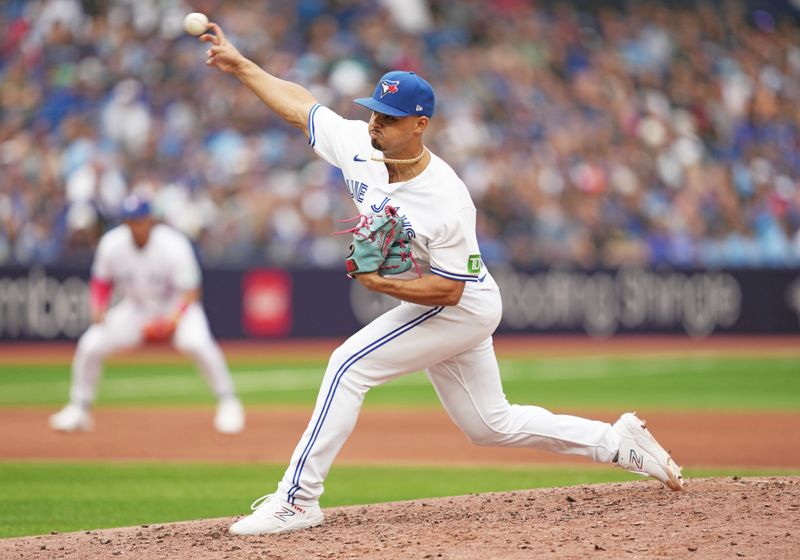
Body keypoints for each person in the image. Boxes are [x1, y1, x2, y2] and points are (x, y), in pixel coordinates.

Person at [199, 22, 683, 535]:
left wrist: (382, 285)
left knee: (347, 367)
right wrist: (241, 64)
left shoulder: (447, 197)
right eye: (372, 112)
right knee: (490, 425)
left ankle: (297, 500)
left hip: (464, 305)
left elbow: (450, 291)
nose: (373, 123)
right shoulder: (360, 145)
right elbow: (301, 106)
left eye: (387, 117)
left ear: (420, 124)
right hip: (449, 301)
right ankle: (617, 441)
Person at [48, 195, 245, 435]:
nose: (135, 225)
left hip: (177, 309)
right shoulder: (112, 243)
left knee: (198, 343)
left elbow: (191, 291)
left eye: (140, 219)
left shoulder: (173, 244)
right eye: (130, 220)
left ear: (150, 220)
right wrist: (98, 306)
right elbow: (101, 281)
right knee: (91, 344)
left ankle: (228, 402)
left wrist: (172, 320)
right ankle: (80, 408)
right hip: (137, 309)